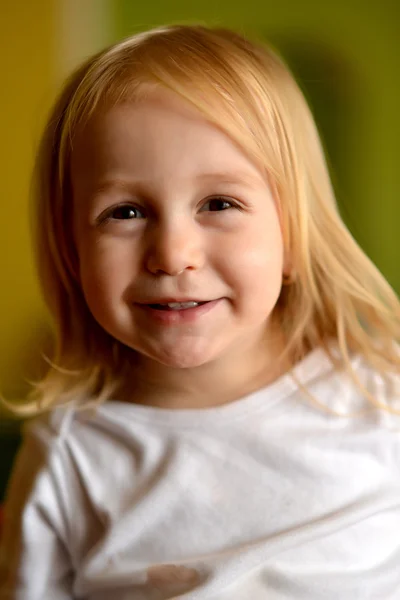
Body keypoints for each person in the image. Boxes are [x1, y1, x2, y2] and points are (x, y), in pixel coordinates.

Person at [0, 24, 399, 600]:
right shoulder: (70, 456)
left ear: (293, 236)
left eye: (219, 203)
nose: (172, 255)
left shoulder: (383, 399)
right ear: (71, 249)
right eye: (125, 212)